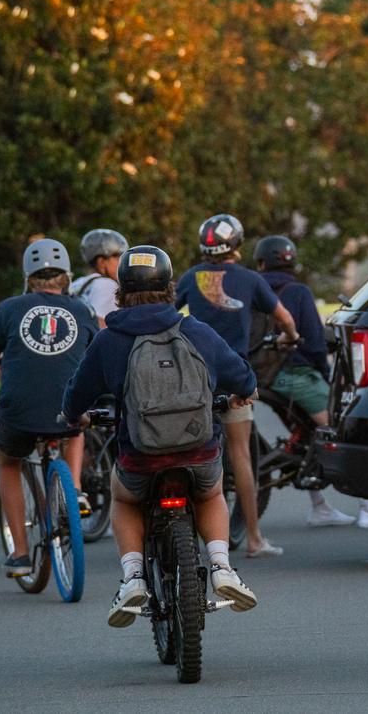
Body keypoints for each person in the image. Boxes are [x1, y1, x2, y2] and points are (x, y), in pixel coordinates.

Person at [62, 245, 261, 626]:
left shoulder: (109, 340)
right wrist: (240, 392)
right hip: (198, 450)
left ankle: (133, 577)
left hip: (140, 455)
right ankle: (221, 567)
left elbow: (77, 393)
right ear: (169, 286)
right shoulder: (194, 330)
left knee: (125, 499)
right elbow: (242, 375)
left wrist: (75, 416)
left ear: (121, 289)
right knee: (211, 492)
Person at [0, 239, 97, 578]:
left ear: (28, 277)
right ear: (66, 276)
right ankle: (76, 490)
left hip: (20, 411)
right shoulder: (81, 309)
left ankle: (20, 554)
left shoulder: (9, 309)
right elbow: (95, 351)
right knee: (75, 425)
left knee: (9, 462)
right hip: (66, 406)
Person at [253, 235, 368, 529]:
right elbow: (313, 342)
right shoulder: (297, 291)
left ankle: (320, 507)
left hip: (263, 376)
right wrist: (325, 376)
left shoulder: (253, 290)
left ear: (261, 262)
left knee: (308, 433)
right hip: (296, 375)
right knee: (340, 429)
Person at [175, 214, 300, 557]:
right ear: (238, 246)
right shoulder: (249, 279)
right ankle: (255, 540)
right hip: (234, 379)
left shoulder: (190, 277)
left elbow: (169, 314)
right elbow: (285, 318)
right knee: (241, 455)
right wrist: (291, 337)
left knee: (196, 449)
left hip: (196, 378)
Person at [70, 228, 128, 328]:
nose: (121, 262)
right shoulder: (106, 284)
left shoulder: (77, 283)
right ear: (101, 261)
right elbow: (100, 326)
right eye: (116, 256)